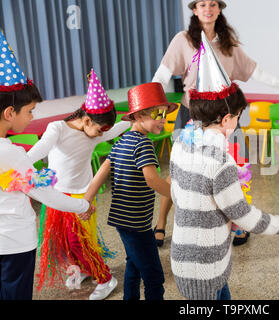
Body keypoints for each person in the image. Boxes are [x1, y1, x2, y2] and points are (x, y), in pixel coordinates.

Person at [152, 0, 279, 247]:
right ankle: (162, 223)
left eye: (213, 4)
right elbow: (162, 75)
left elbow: (255, 72)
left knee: (237, 171)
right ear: (194, 10)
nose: (208, 8)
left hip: (227, 121)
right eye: (202, 4)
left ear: (219, 9)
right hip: (191, 117)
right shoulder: (183, 40)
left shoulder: (228, 43)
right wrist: (151, 105)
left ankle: (238, 223)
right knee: (180, 172)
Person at [169, 36, 279, 300]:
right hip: (207, 267)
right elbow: (244, 217)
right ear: (227, 119)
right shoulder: (220, 162)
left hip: (184, 261)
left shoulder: (180, 144)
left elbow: (179, 196)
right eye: (239, 117)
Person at [0, 30, 91, 300]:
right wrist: (83, 205)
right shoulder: (12, 154)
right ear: (9, 113)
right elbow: (44, 193)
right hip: (14, 243)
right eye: (29, 111)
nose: (31, 117)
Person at [28, 69, 129, 300]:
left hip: (82, 198)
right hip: (56, 196)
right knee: (65, 243)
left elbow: (113, 130)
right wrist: (20, 162)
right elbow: (42, 148)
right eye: (98, 129)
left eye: (102, 131)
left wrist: (131, 119)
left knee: (79, 242)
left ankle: (105, 279)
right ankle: (84, 269)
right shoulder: (57, 129)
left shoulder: (94, 132)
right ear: (85, 119)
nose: (100, 135)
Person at [83, 82, 178, 300]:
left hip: (122, 220)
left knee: (134, 265)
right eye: (157, 113)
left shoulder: (122, 141)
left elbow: (102, 172)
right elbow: (152, 180)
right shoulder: (143, 144)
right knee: (154, 277)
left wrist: (87, 199)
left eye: (165, 113)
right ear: (138, 116)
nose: (163, 119)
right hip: (137, 224)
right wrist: (179, 195)